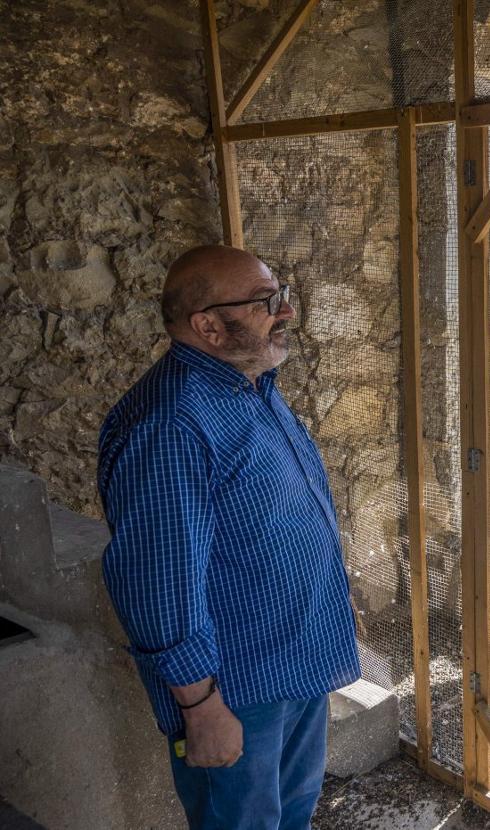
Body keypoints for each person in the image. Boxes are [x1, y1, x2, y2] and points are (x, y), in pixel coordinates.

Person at [97, 245, 360, 829]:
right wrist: (201, 707)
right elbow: (158, 581)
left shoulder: (249, 387)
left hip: (293, 661)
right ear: (208, 325)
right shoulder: (171, 423)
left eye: (281, 296)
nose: (286, 312)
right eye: (266, 302)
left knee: (292, 815)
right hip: (235, 691)